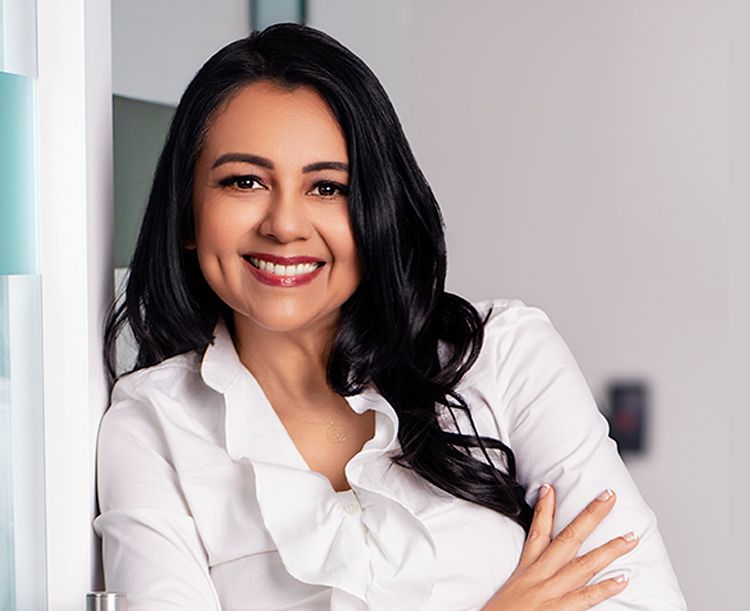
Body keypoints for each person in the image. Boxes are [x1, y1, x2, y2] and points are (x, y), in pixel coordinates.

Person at [94, 23, 687, 611]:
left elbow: (644, 601)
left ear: (377, 209)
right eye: (244, 181)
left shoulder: (504, 356)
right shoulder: (151, 428)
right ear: (188, 216)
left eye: (327, 188)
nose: (284, 224)